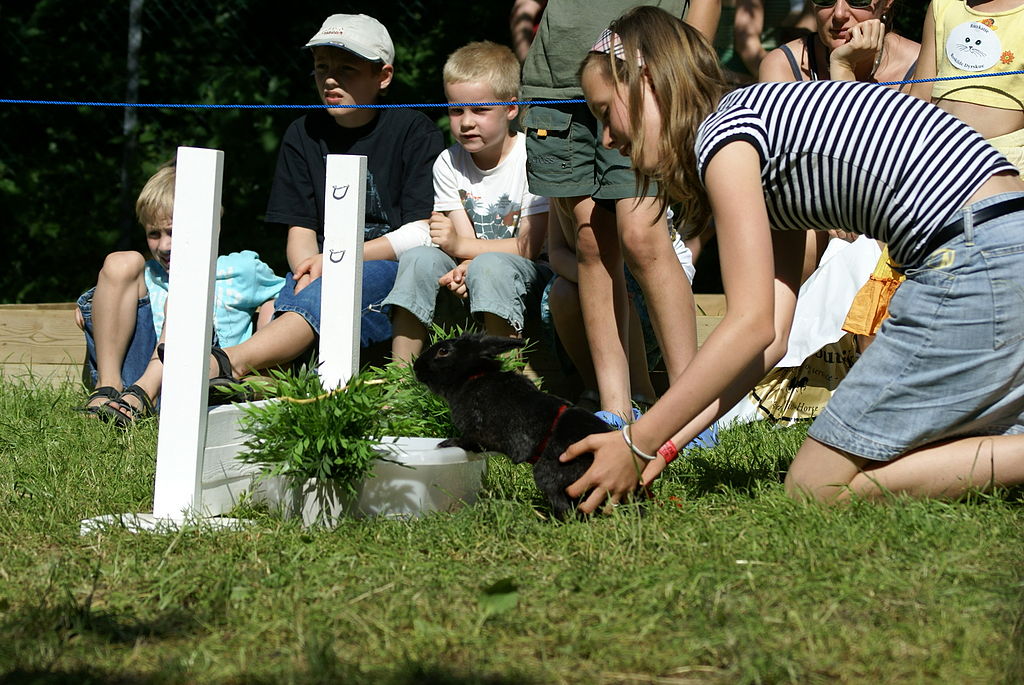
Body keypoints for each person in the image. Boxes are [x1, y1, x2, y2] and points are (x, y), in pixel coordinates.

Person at [563, 5, 1024, 512]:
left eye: (606, 112)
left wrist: (636, 440)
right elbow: (770, 338)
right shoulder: (762, 133)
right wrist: (664, 442)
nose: (606, 138)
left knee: (814, 487)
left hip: (972, 255)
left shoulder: (724, 138)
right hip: (999, 244)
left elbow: (750, 323)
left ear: (648, 81)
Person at [201, 14, 444, 384]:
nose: (331, 79)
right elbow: (300, 228)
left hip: (390, 265)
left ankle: (231, 362)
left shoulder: (414, 131)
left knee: (328, 292)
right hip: (317, 267)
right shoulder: (303, 133)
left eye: (347, 68)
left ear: (384, 76)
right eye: (321, 68)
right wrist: (308, 270)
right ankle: (260, 382)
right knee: (282, 303)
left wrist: (335, 263)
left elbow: (421, 230)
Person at [520, 0, 720, 429]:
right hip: (559, 78)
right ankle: (615, 407)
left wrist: (684, 76)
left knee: (642, 237)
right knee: (591, 241)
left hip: (641, 75)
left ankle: (692, 407)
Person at [76, 162, 284, 424]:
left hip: (208, 380)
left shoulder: (240, 269)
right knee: (121, 261)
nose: (164, 245)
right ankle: (108, 387)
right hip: (136, 380)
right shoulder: (149, 274)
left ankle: (147, 395)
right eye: (154, 234)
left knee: (185, 292)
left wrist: (266, 317)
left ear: (212, 228)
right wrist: (94, 302)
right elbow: (116, 294)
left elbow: (286, 297)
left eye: (174, 232)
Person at [382, 41, 550, 363]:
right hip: (470, 265)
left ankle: (503, 380)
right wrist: (464, 259)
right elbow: (463, 243)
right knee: (418, 258)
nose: (466, 122)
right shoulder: (448, 162)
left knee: (488, 266)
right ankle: (401, 378)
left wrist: (465, 252)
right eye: (456, 110)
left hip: (531, 273)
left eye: (480, 110)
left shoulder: (531, 157)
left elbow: (529, 247)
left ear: (511, 109)